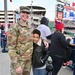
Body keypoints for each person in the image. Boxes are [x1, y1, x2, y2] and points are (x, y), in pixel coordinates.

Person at [7, 6, 33, 75]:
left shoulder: (30, 27)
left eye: (27, 13)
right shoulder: (14, 27)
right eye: (23, 12)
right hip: (19, 62)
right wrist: (16, 65)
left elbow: (34, 39)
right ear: (19, 14)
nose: (25, 14)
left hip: (28, 61)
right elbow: (11, 47)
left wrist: (44, 41)